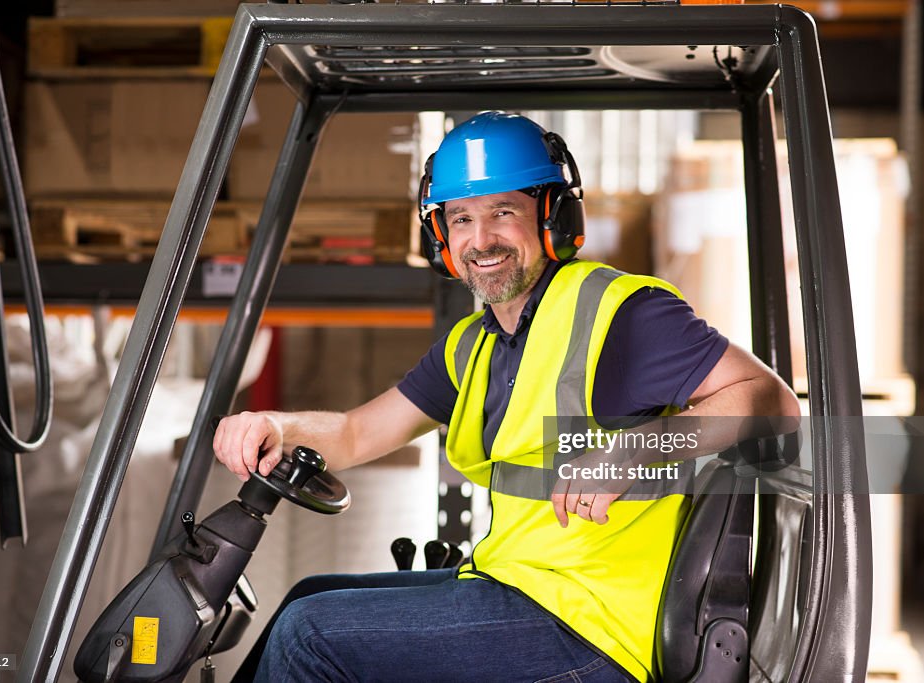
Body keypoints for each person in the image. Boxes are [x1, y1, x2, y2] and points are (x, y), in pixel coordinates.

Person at [214, 111, 799, 682]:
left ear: (552, 216)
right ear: (440, 235)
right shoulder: (473, 346)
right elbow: (355, 434)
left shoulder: (620, 314)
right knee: (313, 595)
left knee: (310, 632)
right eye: (461, 218)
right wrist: (275, 427)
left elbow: (770, 401)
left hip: (592, 628)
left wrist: (632, 451)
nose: (481, 239)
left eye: (503, 212)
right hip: (518, 590)